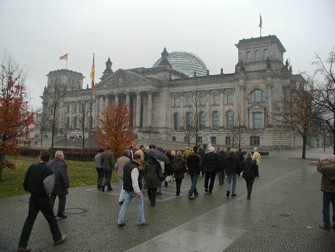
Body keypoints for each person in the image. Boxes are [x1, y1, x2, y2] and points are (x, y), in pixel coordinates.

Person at [17, 151, 66, 252]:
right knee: (51, 219)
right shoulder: (49, 170)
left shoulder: (32, 167)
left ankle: (22, 245)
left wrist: (30, 189)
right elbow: (49, 188)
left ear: (40, 157)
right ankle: (57, 239)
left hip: (33, 198)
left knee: (29, 221)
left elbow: (25, 183)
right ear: (48, 159)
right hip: (43, 198)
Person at [117, 154, 148, 227]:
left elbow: (123, 175)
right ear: (137, 159)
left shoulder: (126, 165)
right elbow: (135, 181)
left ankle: (120, 221)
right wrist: (138, 191)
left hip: (127, 189)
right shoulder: (134, 168)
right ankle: (141, 221)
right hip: (134, 190)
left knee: (125, 205)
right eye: (140, 160)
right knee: (140, 204)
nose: (140, 161)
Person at [49, 150, 70, 219]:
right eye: (63, 155)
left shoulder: (51, 162)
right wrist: (66, 184)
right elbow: (63, 175)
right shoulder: (62, 164)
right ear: (60, 156)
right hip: (60, 184)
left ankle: (50, 213)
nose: (64, 156)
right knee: (62, 198)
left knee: (52, 198)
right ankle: (60, 212)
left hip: (51, 183)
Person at [317, 157, 335, 231]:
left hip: (327, 190)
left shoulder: (327, 168)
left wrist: (321, 161)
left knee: (326, 207)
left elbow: (319, 168)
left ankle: (326, 224)